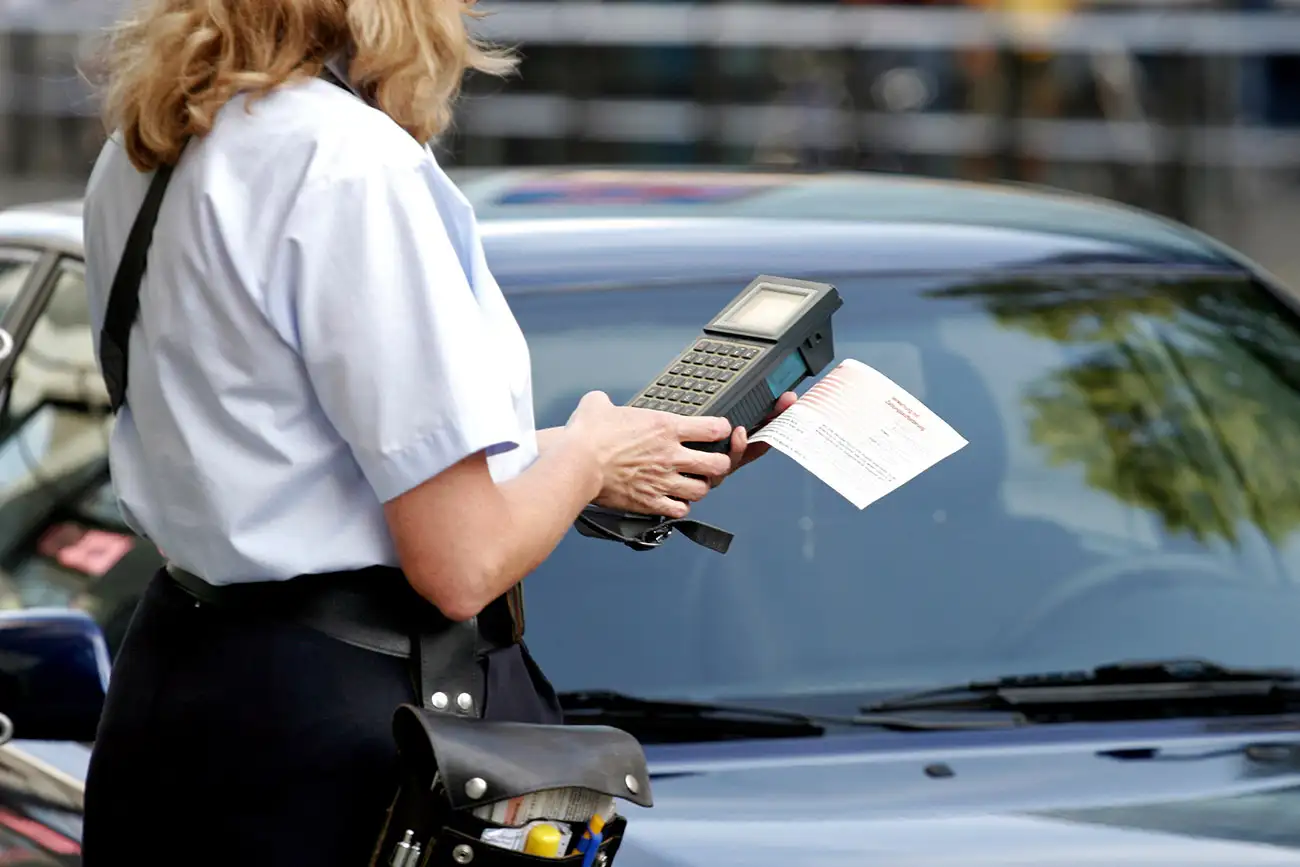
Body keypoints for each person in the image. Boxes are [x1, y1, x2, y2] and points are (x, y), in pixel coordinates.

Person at [78, 1, 797, 864]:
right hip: (353, 733)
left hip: (185, 686)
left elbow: (283, 450)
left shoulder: (151, 146)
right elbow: (459, 565)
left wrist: (581, 459)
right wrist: (582, 454)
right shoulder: (349, 161)